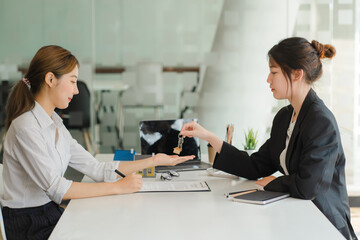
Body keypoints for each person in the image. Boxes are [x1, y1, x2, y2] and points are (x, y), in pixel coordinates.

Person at [1, 45, 194, 240]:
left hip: (48, 214)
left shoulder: (55, 123)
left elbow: (96, 168)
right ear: (50, 79)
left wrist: (154, 161)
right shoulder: (26, 127)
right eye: (73, 81)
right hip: (28, 225)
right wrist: (118, 187)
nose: (76, 91)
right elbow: (58, 189)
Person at [180, 37, 357, 240]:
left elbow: (309, 186)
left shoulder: (321, 122)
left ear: (297, 74)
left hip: (323, 224)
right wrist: (208, 136)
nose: (268, 79)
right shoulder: (284, 117)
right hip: (296, 217)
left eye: (274, 72)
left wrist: (275, 181)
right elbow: (255, 166)